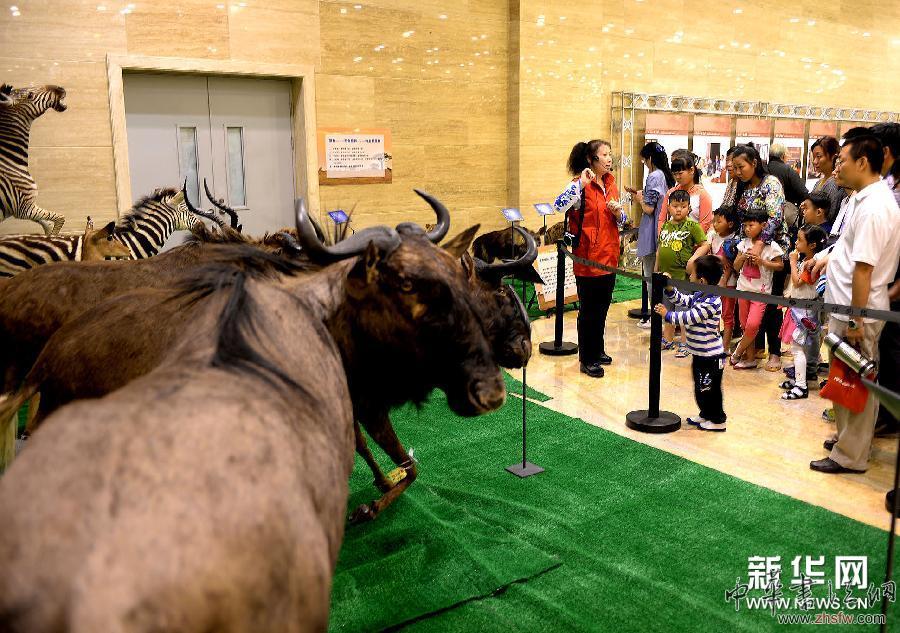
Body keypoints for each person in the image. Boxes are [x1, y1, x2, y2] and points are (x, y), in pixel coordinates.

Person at [810, 131, 900, 474]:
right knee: (847, 376)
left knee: (859, 380)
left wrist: (855, 321)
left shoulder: (876, 207)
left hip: (855, 309)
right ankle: (849, 440)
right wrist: (825, 258)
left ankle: (851, 455)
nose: (836, 167)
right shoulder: (861, 199)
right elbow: (847, 251)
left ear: (863, 162)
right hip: (846, 305)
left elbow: (863, 270)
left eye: (842, 161)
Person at [553, 139, 625, 379]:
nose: (608, 158)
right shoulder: (579, 184)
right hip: (587, 259)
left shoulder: (611, 183)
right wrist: (581, 185)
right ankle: (587, 358)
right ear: (590, 159)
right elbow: (558, 206)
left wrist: (619, 213)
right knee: (589, 311)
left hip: (610, 256)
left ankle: (598, 348)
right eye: (604, 154)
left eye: (610, 154)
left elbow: (621, 221)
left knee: (603, 308)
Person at [653, 255, 726, 432]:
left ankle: (717, 420)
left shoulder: (711, 302)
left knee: (710, 389)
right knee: (700, 386)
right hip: (700, 354)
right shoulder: (700, 295)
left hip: (711, 356)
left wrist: (667, 315)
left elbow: (688, 317)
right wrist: (670, 288)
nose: (689, 277)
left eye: (691, 274)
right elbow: (683, 301)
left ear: (701, 280)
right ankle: (705, 413)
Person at [732, 144, 788, 371]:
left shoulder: (771, 183)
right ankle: (753, 349)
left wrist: (759, 244)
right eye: (734, 167)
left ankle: (775, 352)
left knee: (772, 303)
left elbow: (775, 217)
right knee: (750, 302)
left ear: (754, 163)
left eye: (740, 166)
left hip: (772, 248)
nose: (737, 172)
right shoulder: (743, 187)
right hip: (749, 250)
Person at [627, 142, 675, 329]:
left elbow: (648, 208)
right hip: (661, 229)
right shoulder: (664, 175)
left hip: (652, 229)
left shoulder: (654, 175)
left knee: (650, 276)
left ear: (650, 159)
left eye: (645, 160)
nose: (644, 163)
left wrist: (639, 198)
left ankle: (657, 318)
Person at [731, 207, 785, 369]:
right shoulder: (743, 244)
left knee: (753, 325)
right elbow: (735, 266)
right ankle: (749, 358)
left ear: (763, 225)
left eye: (751, 225)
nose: (747, 229)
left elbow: (780, 266)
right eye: (745, 225)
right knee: (744, 325)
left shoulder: (772, 246)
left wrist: (762, 262)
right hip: (743, 289)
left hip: (760, 293)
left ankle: (738, 351)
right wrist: (742, 257)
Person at [655, 189, 707, 357]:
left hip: (682, 279)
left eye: (683, 206)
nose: (679, 210)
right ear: (668, 207)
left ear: (689, 208)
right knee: (667, 310)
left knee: (683, 312)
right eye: (675, 206)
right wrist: (656, 268)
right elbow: (660, 249)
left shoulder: (692, 226)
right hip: (665, 277)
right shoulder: (666, 226)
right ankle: (668, 339)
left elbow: (705, 244)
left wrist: (693, 259)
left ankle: (685, 343)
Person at [779, 224, 828, 400]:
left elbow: (797, 282)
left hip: (805, 310)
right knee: (809, 345)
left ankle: (801, 386)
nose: (796, 243)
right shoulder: (810, 260)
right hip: (806, 308)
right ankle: (808, 376)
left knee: (797, 347)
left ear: (812, 245)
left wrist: (792, 262)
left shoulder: (810, 263)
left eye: (800, 240)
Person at [688, 205, 740, 353]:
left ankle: (725, 347)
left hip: (728, 284)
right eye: (714, 221)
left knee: (727, 315)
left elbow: (728, 265)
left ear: (730, 224)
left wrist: (724, 280)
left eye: (719, 222)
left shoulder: (734, 240)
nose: (715, 225)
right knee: (713, 312)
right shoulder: (712, 236)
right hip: (714, 282)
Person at [658, 152, 714, 234]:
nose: (677, 177)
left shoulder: (702, 195)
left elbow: (705, 224)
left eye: (680, 173)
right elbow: (662, 219)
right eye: (674, 174)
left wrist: (688, 242)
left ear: (691, 170)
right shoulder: (670, 193)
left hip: (693, 242)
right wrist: (662, 237)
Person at [809, 136, 846, 220]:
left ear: (833, 157)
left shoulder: (834, 183)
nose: (814, 162)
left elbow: (829, 216)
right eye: (814, 157)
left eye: (818, 156)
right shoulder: (819, 182)